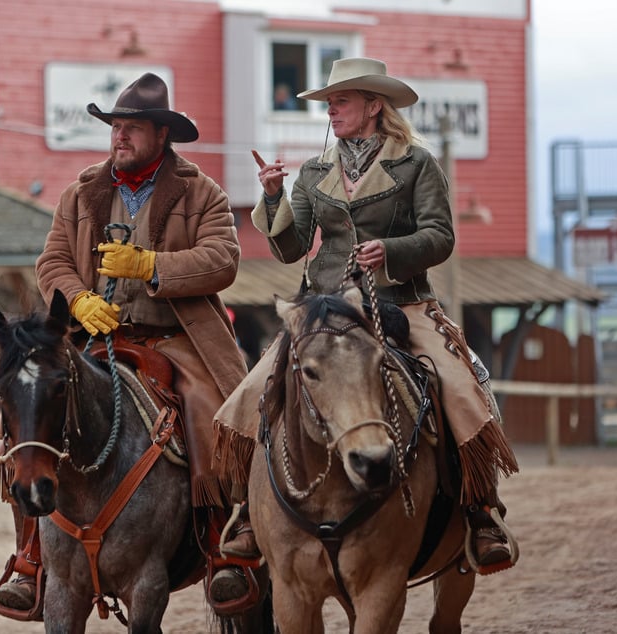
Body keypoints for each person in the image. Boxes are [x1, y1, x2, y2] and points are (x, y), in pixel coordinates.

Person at [213, 57, 520, 575]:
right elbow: (291, 249)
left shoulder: (418, 164)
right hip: (324, 307)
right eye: (329, 103)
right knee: (252, 391)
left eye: (341, 101)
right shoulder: (314, 172)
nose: (330, 110)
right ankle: (246, 511)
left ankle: (481, 511)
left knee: (462, 387)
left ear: (374, 106)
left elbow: (441, 236)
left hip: (402, 302)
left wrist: (391, 251)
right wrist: (273, 197)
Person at [0, 72, 258, 613]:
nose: (120, 135)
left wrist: (151, 265)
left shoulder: (203, 192)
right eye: (116, 126)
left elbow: (223, 260)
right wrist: (77, 300)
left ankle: (222, 546)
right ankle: (31, 556)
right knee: (26, 414)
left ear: (162, 134)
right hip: (93, 338)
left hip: (176, 339)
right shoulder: (80, 192)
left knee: (213, 415)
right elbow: (52, 261)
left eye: (132, 127)